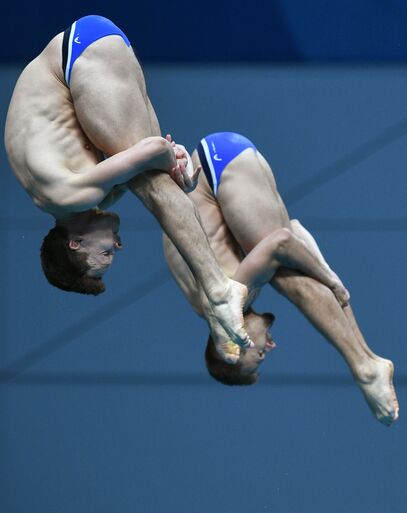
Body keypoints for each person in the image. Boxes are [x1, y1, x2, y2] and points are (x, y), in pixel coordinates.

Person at [4, 16, 253, 350]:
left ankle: (219, 291)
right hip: (82, 51)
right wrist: (175, 166)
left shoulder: (70, 192)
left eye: (107, 252)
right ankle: (218, 289)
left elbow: (154, 149)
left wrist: (169, 161)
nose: (118, 245)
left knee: (153, 188)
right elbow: (157, 155)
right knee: (157, 182)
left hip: (81, 57)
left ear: (75, 242)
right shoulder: (68, 198)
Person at [163, 131, 399, 426]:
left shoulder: (226, 301)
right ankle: (365, 361)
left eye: (259, 357)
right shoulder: (205, 303)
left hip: (217, 168)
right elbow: (296, 231)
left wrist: (330, 278)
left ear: (232, 351)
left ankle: (364, 366)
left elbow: (282, 242)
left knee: (286, 275)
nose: (270, 349)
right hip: (214, 163)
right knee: (290, 266)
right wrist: (324, 271)